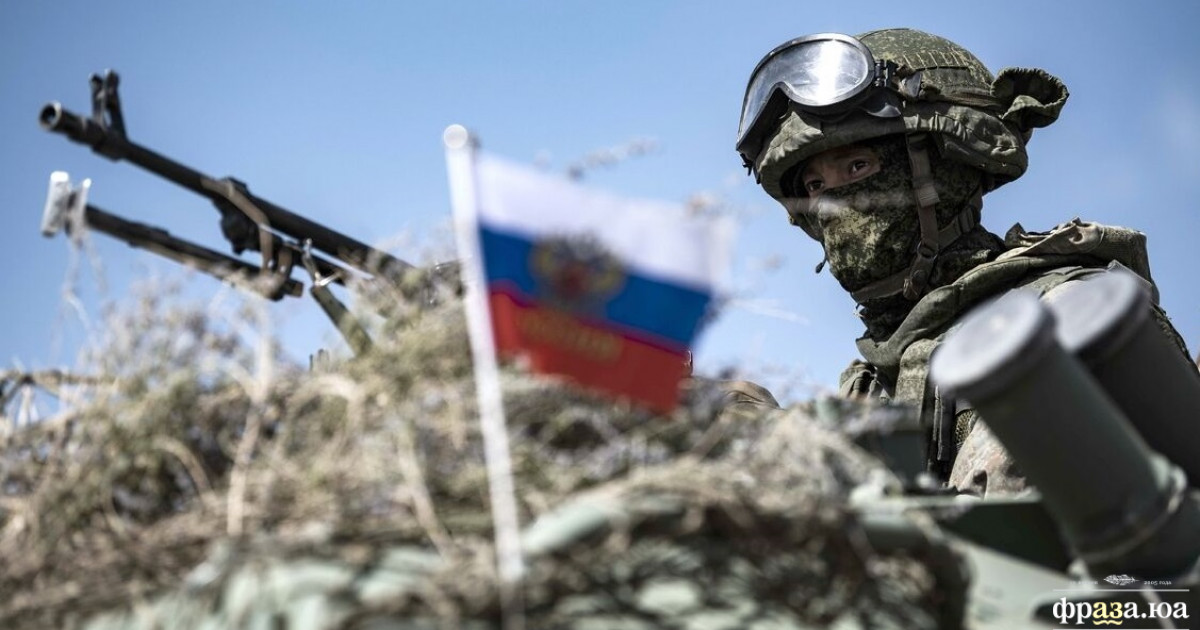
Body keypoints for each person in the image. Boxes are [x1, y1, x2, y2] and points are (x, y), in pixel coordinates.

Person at [735, 28, 1195, 494]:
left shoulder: (1067, 318)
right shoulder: (873, 382)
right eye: (815, 187)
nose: (833, 206)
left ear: (943, 174)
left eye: (858, 167)